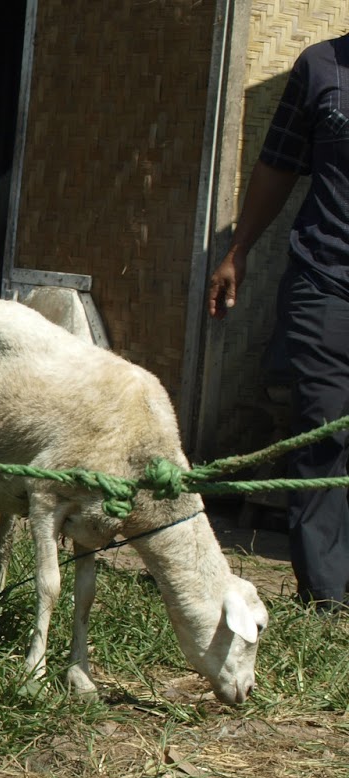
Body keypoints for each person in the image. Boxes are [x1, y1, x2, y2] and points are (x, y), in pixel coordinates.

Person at [207, 32, 349, 611]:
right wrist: (238, 250)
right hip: (326, 282)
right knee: (323, 432)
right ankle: (326, 598)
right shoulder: (321, 67)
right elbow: (279, 164)